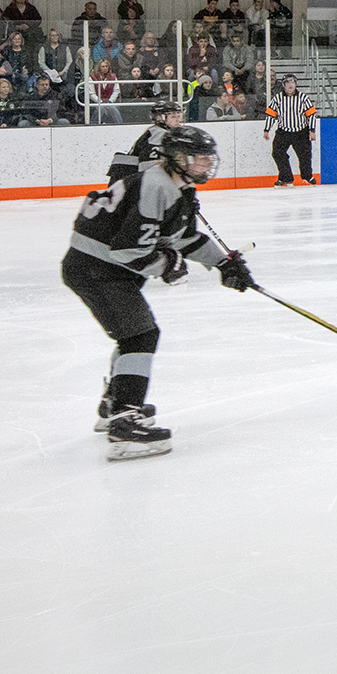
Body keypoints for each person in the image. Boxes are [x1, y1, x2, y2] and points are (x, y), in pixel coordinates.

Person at [63, 124, 251, 460]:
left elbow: (182, 239)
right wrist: (167, 264)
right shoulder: (156, 185)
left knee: (133, 335)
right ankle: (125, 421)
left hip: (103, 266)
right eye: (200, 158)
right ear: (178, 158)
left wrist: (223, 264)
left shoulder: (176, 186)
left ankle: (114, 403)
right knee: (140, 336)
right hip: (96, 268)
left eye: (210, 158)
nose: (208, 164)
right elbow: (128, 250)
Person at [266, 77, 319, 187]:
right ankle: (285, 177)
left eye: (293, 82)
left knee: (304, 155)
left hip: (300, 132)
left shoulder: (303, 97)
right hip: (283, 131)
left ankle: (307, 176)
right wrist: (266, 129)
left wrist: (312, 130)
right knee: (277, 153)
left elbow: (311, 114)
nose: (290, 84)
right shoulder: (278, 98)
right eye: (287, 82)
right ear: (283, 85)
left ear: (296, 84)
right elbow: (271, 114)